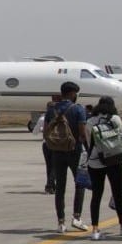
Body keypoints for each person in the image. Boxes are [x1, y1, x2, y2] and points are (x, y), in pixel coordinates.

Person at [86, 96, 122, 240]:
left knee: (96, 195)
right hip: (113, 160)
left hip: (95, 162)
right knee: (117, 194)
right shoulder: (115, 119)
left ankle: (95, 229)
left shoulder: (90, 121)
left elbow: (89, 142)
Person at [44, 81, 88, 233]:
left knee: (60, 187)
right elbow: (83, 133)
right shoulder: (78, 109)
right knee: (80, 184)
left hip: (57, 151)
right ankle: (76, 217)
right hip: (74, 151)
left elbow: (47, 130)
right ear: (72, 93)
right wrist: (87, 150)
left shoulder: (52, 109)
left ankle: (60, 222)